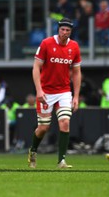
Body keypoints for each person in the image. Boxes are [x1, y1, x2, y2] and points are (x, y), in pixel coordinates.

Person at [28, 17, 82, 169]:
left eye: (67, 30)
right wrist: (38, 90)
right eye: (62, 29)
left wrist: (76, 96)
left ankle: (61, 161)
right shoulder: (46, 43)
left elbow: (77, 72)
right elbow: (36, 67)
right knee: (43, 128)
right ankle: (33, 150)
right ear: (58, 30)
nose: (64, 32)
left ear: (71, 32)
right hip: (46, 91)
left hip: (64, 91)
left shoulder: (74, 47)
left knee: (65, 123)